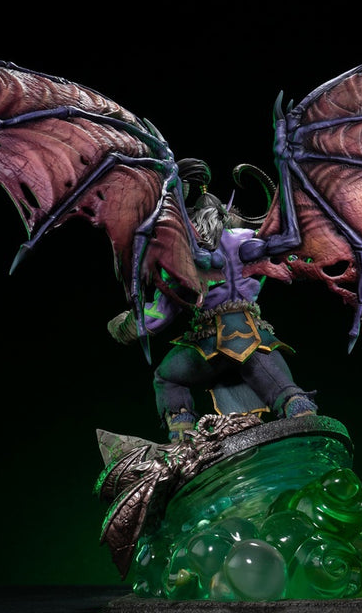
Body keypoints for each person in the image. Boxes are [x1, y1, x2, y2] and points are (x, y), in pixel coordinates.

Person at [107, 160, 317, 441]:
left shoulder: (183, 258)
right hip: (254, 338)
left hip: (208, 348)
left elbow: (159, 315)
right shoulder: (247, 240)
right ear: (225, 215)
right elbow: (288, 256)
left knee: (167, 377)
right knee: (287, 393)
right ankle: (299, 412)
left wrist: (127, 326)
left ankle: (182, 436)